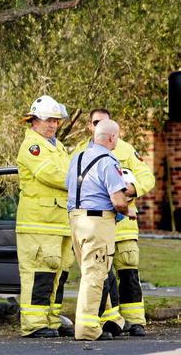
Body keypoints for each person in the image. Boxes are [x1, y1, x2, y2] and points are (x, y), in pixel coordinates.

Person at [73, 109, 155, 336]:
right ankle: (110, 321)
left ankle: (136, 321)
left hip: (123, 225)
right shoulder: (82, 151)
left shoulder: (125, 149)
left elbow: (147, 176)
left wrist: (132, 189)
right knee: (102, 277)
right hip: (100, 221)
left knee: (128, 273)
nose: (102, 124)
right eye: (97, 122)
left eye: (106, 121)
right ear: (90, 125)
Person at [66, 119, 136, 341]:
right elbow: (117, 200)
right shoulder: (107, 161)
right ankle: (87, 329)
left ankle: (108, 320)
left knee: (92, 272)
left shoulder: (77, 157)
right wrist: (128, 211)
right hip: (98, 222)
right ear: (112, 137)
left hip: (76, 221)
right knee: (95, 275)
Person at [15, 95, 74, 338]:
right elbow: (51, 174)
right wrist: (82, 182)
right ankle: (34, 323)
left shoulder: (56, 146)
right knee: (38, 272)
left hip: (59, 222)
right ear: (35, 121)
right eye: (48, 120)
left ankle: (50, 319)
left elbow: (68, 170)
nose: (52, 125)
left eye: (56, 121)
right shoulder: (32, 146)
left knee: (57, 273)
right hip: (38, 222)